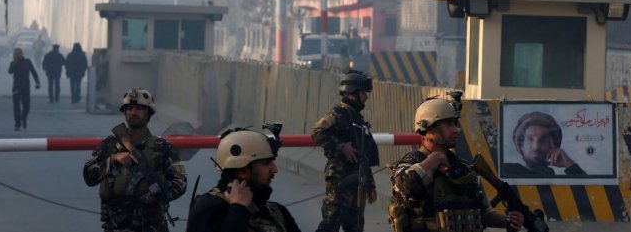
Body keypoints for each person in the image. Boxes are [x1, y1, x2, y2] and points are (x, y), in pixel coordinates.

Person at [389, 98, 525, 232]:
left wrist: (507, 221)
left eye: (455, 123)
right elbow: (407, 186)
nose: (455, 129)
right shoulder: (410, 164)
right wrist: (434, 159)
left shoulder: (462, 169)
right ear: (429, 128)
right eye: (448, 124)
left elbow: (482, 213)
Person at [83, 88, 187, 232]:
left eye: (139, 108)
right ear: (125, 112)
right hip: (116, 226)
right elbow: (89, 176)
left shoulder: (163, 147)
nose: (133, 112)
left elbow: (180, 182)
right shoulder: (110, 145)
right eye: (129, 108)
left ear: (148, 113)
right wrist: (112, 159)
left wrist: (158, 195)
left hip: (151, 226)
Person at [187, 126, 301, 232]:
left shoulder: (276, 212)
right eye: (266, 163)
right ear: (242, 171)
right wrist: (238, 209)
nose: (274, 169)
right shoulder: (208, 208)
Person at [312, 70, 379, 232]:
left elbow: (364, 155)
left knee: (355, 226)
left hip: (357, 182)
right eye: (363, 93)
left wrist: (370, 184)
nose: (366, 97)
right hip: (340, 180)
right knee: (330, 224)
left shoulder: (357, 118)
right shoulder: (339, 113)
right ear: (352, 94)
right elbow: (318, 132)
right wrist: (342, 147)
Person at [501, 111, 586, 176]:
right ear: (521, 145)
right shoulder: (507, 171)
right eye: (530, 139)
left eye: (543, 140)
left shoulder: (555, 180)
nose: (536, 146)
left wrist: (569, 164)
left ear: (553, 146)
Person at [8, 48, 40, 131]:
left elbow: (33, 72)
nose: (17, 55)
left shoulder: (27, 62)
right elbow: (10, 71)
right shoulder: (13, 63)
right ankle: (17, 124)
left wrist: (37, 82)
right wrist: (15, 62)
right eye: (16, 53)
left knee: (26, 107)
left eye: (19, 53)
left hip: (25, 87)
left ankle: (23, 118)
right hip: (16, 87)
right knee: (16, 107)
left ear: (22, 54)